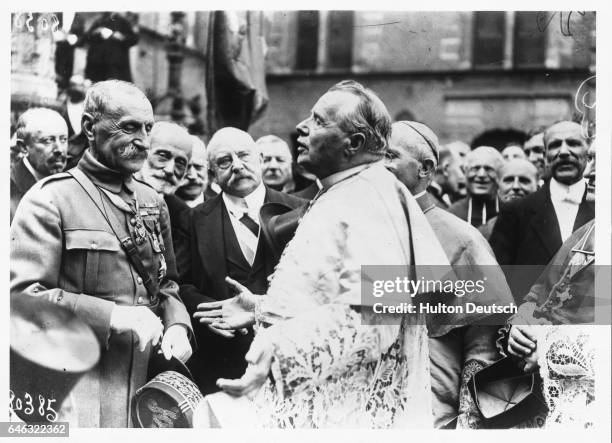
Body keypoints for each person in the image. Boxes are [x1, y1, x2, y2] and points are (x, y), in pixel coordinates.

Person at [197, 81, 454, 428]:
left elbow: (374, 316)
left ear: (355, 144)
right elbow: (334, 295)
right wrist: (261, 308)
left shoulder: (369, 196)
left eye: (318, 121)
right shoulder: (349, 188)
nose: (303, 128)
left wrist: (277, 348)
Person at [10, 80, 193, 427]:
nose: (142, 140)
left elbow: (167, 283)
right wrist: (112, 316)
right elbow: (20, 303)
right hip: (78, 394)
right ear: (90, 127)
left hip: (146, 395)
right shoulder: (49, 200)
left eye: (148, 128)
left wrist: (178, 325)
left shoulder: (153, 202)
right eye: (129, 127)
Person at [386, 121, 514, 428]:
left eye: (390, 155)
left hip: (432, 415)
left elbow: (483, 344)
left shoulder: (462, 238)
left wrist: (468, 423)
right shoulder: (359, 227)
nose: (380, 166)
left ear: (426, 169)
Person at [175, 127, 304, 395]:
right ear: (212, 174)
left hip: (289, 356)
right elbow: (182, 284)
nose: (237, 166)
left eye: (244, 155)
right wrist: (216, 312)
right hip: (221, 361)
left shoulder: (299, 209)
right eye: (224, 161)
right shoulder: (193, 220)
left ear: (258, 157)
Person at [502, 141, 596, 428]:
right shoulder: (587, 231)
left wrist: (544, 349)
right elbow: (539, 293)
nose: (589, 173)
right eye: (590, 160)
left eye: (601, 162)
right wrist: (520, 327)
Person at [490, 121, 594, 302]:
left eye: (573, 143)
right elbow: (496, 284)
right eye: (555, 145)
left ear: (588, 152)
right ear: (545, 156)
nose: (563, 152)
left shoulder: (602, 210)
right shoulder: (516, 212)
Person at [136, 121, 193, 244]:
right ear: (143, 151)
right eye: (162, 156)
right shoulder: (108, 196)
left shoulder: (184, 217)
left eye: (180, 163)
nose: (170, 170)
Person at [10, 108, 68, 223]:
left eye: (63, 139)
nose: (59, 149)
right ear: (23, 147)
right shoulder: (10, 191)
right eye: (48, 141)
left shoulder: (73, 182)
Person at [478, 159, 539, 240]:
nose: (515, 186)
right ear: (498, 188)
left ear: (538, 188)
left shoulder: (548, 227)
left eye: (524, 181)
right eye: (509, 180)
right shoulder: (483, 233)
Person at [448, 146, 504, 227]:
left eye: (488, 169)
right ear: (465, 173)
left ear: (499, 175)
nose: (481, 175)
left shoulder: (509, 212)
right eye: (475, 168)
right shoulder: (452, 215)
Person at [83, 12, 138, 83]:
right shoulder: (99, 21)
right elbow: (87, 37)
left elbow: (134, 39)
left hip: (114, 66)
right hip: (98, 65)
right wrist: (97, 31)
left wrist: (121, 37)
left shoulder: (123, 22)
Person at [176, 136, 210, 207]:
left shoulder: (222, 209)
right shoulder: (159, 206)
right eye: (186, 167)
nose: (193, 176)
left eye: (198, 167)